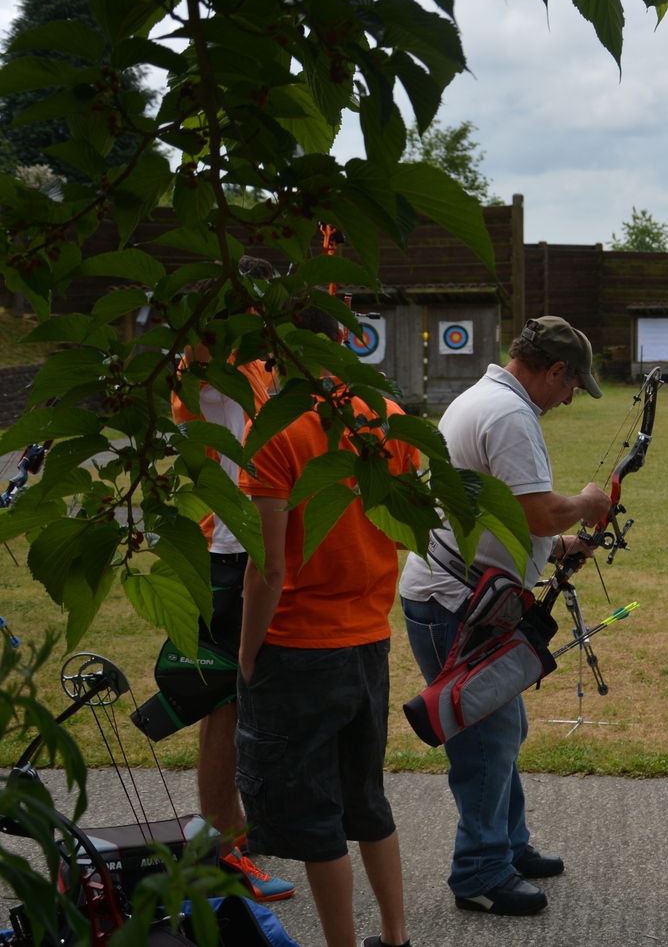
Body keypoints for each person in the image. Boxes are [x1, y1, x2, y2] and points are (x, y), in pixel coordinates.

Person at [397, 316, 611, 917]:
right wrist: (587, 504)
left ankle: (508, 846)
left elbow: (502, 511)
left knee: (503, 729)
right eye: (572, 386)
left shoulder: (484, 399)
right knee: (485, 742)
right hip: (457, 604)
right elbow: (538, 512)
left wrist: (556, 548)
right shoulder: (510, 413)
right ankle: (479, 871)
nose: (570, 399)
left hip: (463, 596)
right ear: (554, 370)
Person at [236, 306, 419, 947]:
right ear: (342, 343)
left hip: (297, 645)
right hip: (368, 639)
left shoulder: (274, 429)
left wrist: (248, 654)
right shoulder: (385, 416)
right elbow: (403, 530)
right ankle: (395, 937)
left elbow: (268, 566)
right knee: (366, 802)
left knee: (316, 820)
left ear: (277, 351)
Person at [168, 256, 296, 902]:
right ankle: (222, 847)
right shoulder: (211, 368)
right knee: (228, 703)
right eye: (255, 304)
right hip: (226, 552)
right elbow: (196, 347)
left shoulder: (251, 365)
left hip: (238, 548)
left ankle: (224, 832)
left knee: (233, 701)